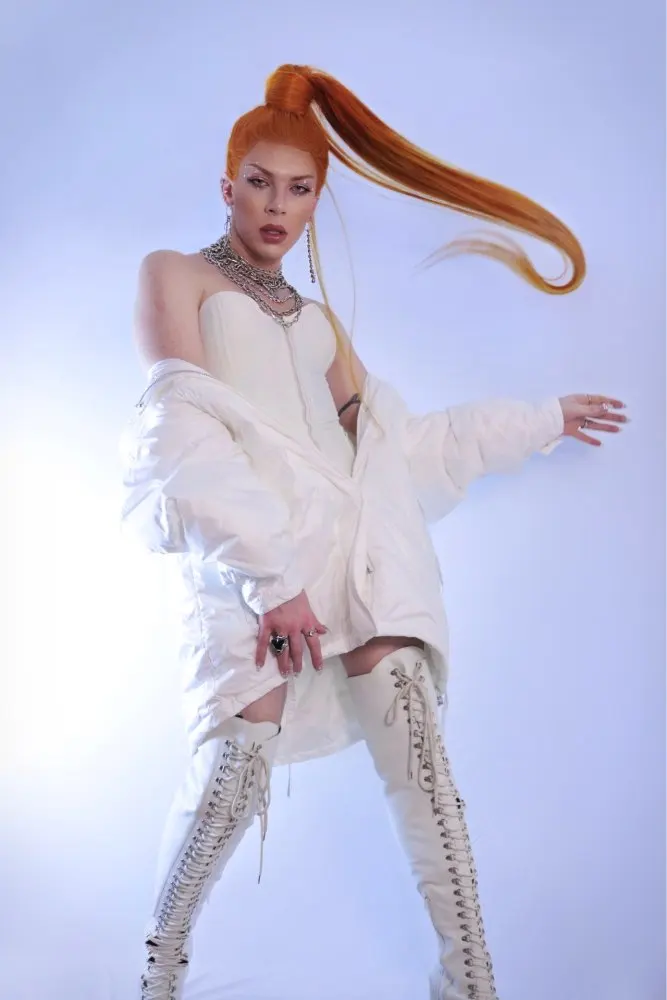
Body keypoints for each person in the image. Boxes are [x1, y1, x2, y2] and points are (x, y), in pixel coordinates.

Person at [119, 63, 628, 1000]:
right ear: (227, 186)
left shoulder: (320, 321)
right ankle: (158, 974)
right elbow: (181, 435)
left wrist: (539, 419)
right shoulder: (174, 276)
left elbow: (391, 450)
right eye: (260, 184)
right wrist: (272, 580)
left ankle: (468, 982)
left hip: (354, 560)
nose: (277, 207)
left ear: (318, 198)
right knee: (231, 778)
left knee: (423, 771)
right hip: (252, 566)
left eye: (299, 189)